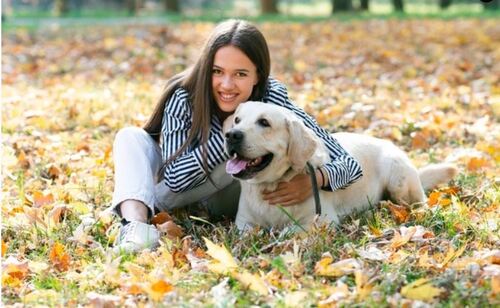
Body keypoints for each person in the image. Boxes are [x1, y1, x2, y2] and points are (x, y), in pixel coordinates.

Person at [111, 19, 363, 253]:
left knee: (239, 156)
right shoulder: (184, 97)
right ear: (206, 69)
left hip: (228, 191)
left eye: (240, 74)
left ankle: (133, 197)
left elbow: (349, 164)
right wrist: (232, 137)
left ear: (257, 76)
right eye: (217, 71)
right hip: (180, 187)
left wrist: (315, 179)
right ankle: (135, 226)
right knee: (129, 136)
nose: (227, 84)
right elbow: (175, 179)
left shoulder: (271, 100)